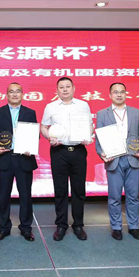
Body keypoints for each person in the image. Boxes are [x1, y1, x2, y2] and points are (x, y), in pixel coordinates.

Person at [40, 77, 93, 241]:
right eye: (61, 87)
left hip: (78, 151)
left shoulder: (83, 105)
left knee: (79, 190)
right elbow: (43, 127)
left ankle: (78, 225)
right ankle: (61, 225)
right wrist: (49, 137)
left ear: (73, 88)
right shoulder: (50, 107)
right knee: (60, 190)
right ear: (57, 90)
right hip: (59, 151)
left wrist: (88, 136)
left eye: (67, 86)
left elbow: (90, 125)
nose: (64, 89)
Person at [95, 82, 139, 241]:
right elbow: (99, 139)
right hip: (114, 160)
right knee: (114, 197)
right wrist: (101, 153)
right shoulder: (102, 114)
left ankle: (133, 227)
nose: (119, 94)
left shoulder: (135, 112)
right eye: (115, 92)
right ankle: (116, 227)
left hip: (133, 158)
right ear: (110, 95)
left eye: (122, 92)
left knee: (133, 196)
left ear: (126, 94)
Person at [0, 83, 38, 242]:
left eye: (17, 91)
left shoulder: (30, 112)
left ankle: (26, 228)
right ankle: (3, 228)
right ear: (7, 95)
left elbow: (35, 135)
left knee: (26, 196)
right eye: (11, 92)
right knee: (3, 196)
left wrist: (31, 147)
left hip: (24, 159)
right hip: (4, 158)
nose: (14, 94)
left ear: (22, 94)